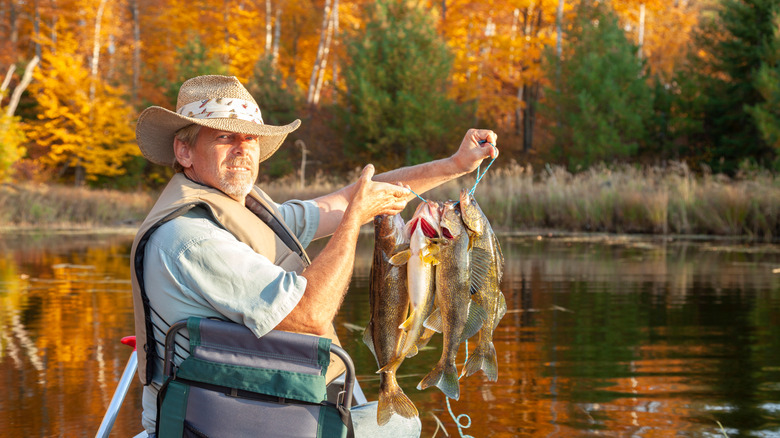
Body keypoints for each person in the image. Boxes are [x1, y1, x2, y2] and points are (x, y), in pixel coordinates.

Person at [129, 75, 498, 436]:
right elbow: (310, 315)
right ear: (184, 150)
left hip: (261, 409)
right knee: (404, 423)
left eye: (251, 138)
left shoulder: (246, 210)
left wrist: (454, 166)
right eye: (225, 137)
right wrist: (354, 222)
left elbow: (344, 200)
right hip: (227, 425)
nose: (242, 149)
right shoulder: (193, 237)